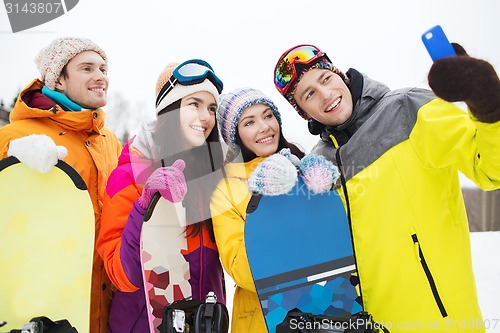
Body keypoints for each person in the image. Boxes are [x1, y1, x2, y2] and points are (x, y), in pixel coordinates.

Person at [267, 44, 500, 331]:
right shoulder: (317, 165)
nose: (325, 95)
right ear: (303, 112)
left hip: (442, 321)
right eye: (309, 95)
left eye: (325, 79)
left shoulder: (408, 108)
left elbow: (490, 168)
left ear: (340, 75)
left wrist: (488, 102)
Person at [0, 37, 122, 333]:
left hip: (106, 299)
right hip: (46, 307)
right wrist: (12, 158)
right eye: (87, 68)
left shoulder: (110, 141)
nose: (100, 76)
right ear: (59, 79)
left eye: (103, 68)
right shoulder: (14, 135)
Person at [96, 59, 227, 332]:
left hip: (204, 322)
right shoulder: (128, 174)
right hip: (145, 324)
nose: (205, 117)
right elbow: (121, 276)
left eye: (211, 108)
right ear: (169, 109)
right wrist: (146, 207)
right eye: (194, 104)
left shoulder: (212, 175)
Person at [210, 87, 311, 332]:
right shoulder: (226, 188)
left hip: (322, 303)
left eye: (268, 116)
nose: (264, 127)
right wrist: (271, 203)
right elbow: (240, 268)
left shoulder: (303, 166)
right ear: (236, 136)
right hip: (264, 318)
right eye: (249, 122)